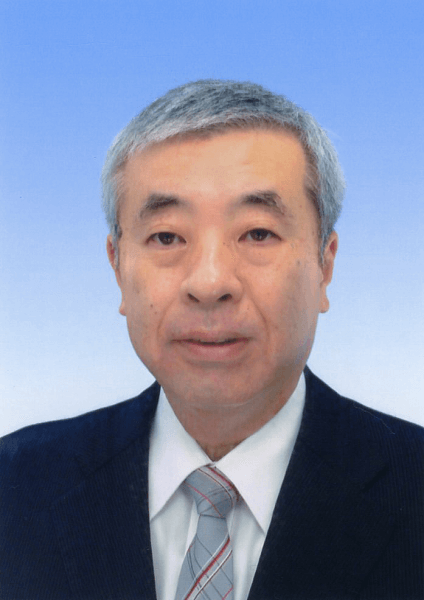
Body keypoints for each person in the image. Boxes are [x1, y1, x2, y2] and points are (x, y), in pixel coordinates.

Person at [1, 80, 423, 600]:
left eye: (257, 233)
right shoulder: (15, 485)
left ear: (325, 265)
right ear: (117, 267)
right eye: (167, 237)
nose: (209, 282)